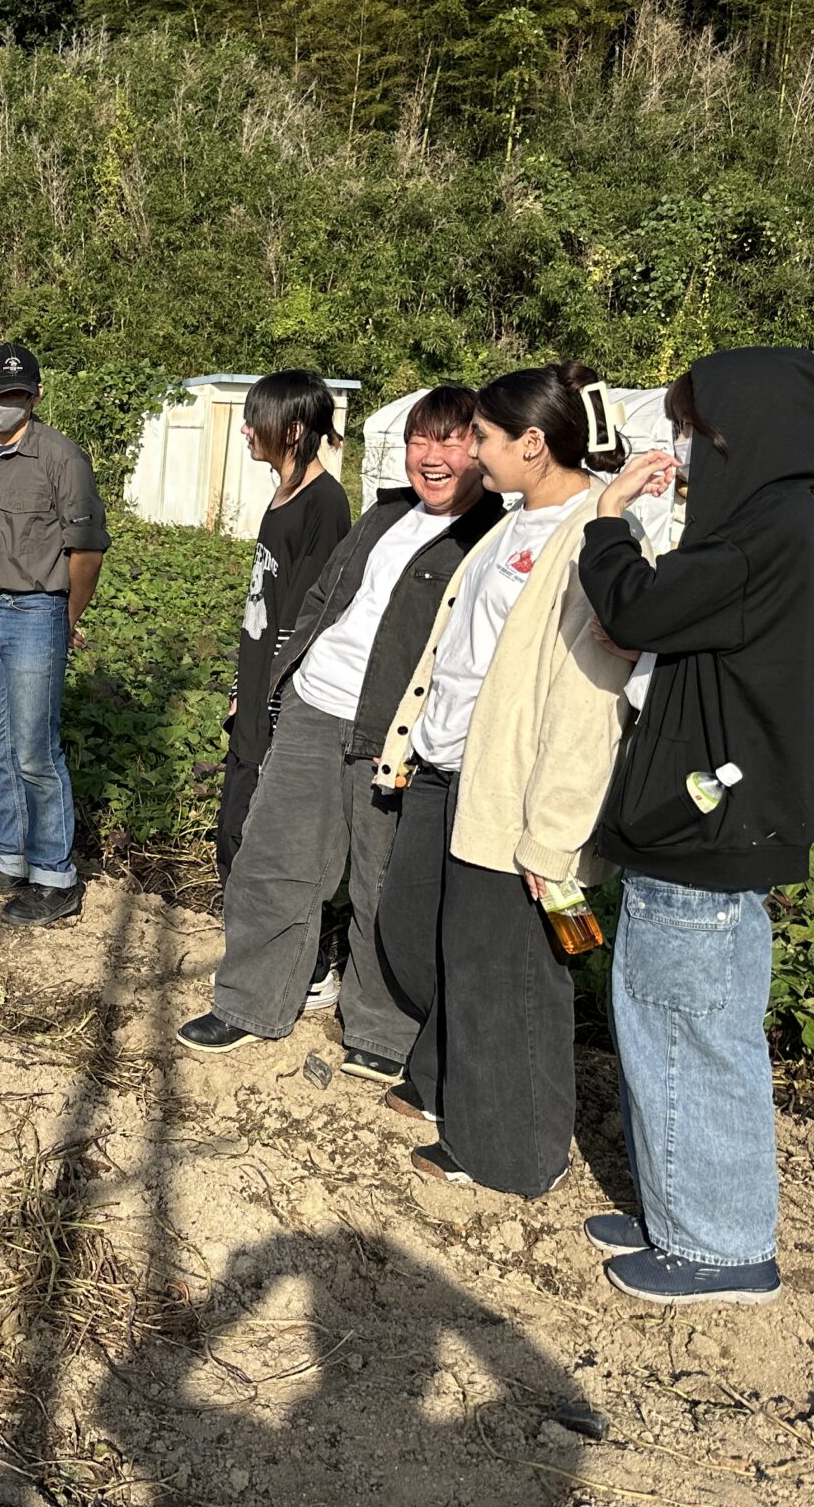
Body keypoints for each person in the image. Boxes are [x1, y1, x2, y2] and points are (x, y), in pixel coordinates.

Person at [578, 349, 814, 1306]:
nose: (682, 446)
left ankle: (720, 1245)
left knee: (689, 1029)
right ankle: (675, 1208)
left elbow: (635, 607)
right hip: (711, 819)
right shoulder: (771, 527)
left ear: (740, 433)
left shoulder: (764, 534)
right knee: (669, 1022)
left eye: (693, 428)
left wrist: (608, 520)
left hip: (709, 825)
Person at [180, 385, 502, 1077]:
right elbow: (327, 592)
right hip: (313, 707)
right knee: (275, 859)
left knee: (384, 882)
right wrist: (289, 678)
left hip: (392, 729)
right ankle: (248, 1004)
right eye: (421, 440)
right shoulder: (387, 514)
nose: (431, 456)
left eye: (450, 441)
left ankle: (382, 1033)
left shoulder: (491, 535)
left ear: (481, 449)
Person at [372, 364, 634, 1198]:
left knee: (509, 971)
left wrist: (551, 833)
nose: (472, 455)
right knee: (426, 932)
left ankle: (512, 1149)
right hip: (448, 767)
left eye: (482, 437)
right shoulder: (516, 522)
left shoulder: (594, 534)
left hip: (513, 790)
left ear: (533, 442)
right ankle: (448, 1079)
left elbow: (589, 701)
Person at [0, 343, 110, 926]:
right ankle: (9, 858)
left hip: (37, 612)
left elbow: (85, 551)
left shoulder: (62, 459)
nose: (5, 406)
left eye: (17, 396)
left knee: (36, 749)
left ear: (36, 396)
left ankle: (55, 875)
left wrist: (66, 617)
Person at [217, 371, 353, 884]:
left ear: (293, 430)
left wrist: (275, 710)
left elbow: (308, 623)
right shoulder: (284, 496)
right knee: (232, 829)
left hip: (279, 706)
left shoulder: (324, 504)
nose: (247, 430)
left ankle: (291, 956)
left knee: (257, 835)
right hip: (253, 697)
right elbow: (263, 608)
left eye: (257, 420)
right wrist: (240, 690)